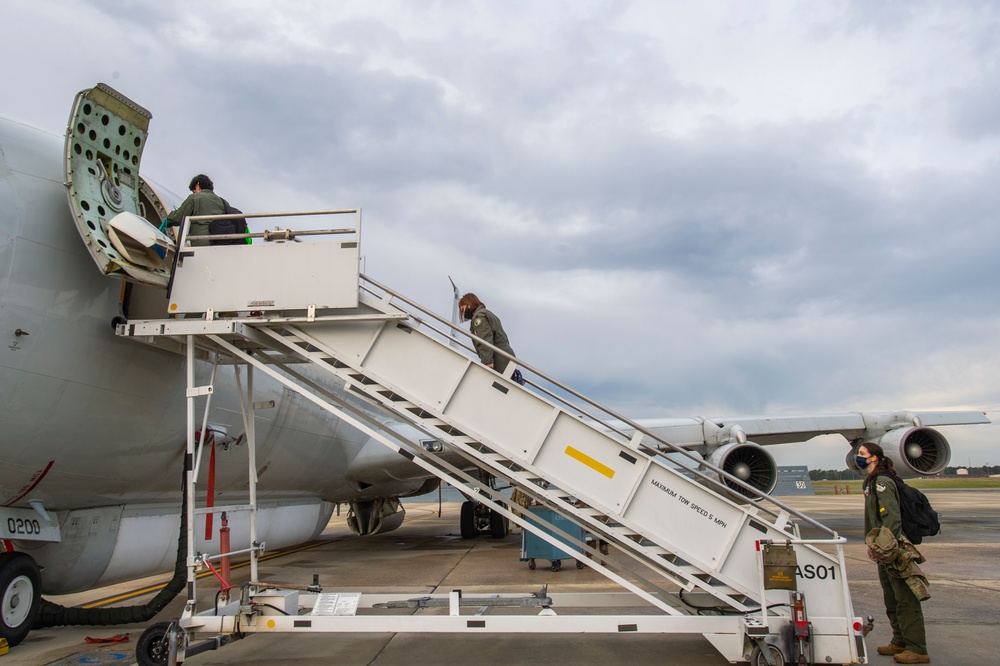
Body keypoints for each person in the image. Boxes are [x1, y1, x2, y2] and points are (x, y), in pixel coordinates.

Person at [858, 442, 930, 664]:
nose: (857, 457)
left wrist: (886, 549)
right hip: (883, 550)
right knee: (892, 598)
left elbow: (891, 520)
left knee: (905, 599)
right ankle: (900, 640)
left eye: (862, 454)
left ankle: (917, 649)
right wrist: (874, 547)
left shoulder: (882, 483)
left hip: (893, 550)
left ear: (874, 458)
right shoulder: (870, 482)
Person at [458, 292, 521, 382]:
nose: (463, 312)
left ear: (469, 305)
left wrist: (487, 362)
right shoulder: (488, 314)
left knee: (498, 389)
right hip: (506, 356)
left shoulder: (479, 317)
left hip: (499, 359)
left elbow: (485, 339)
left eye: (462, 308)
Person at [164, 174, 226, 246]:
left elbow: (178, 218)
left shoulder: (195, 197)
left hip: (201, 242)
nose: (193, 193)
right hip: (221, 242)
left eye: (193, 191)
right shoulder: (223, 202)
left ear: (197, 186)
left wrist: (166, 220)